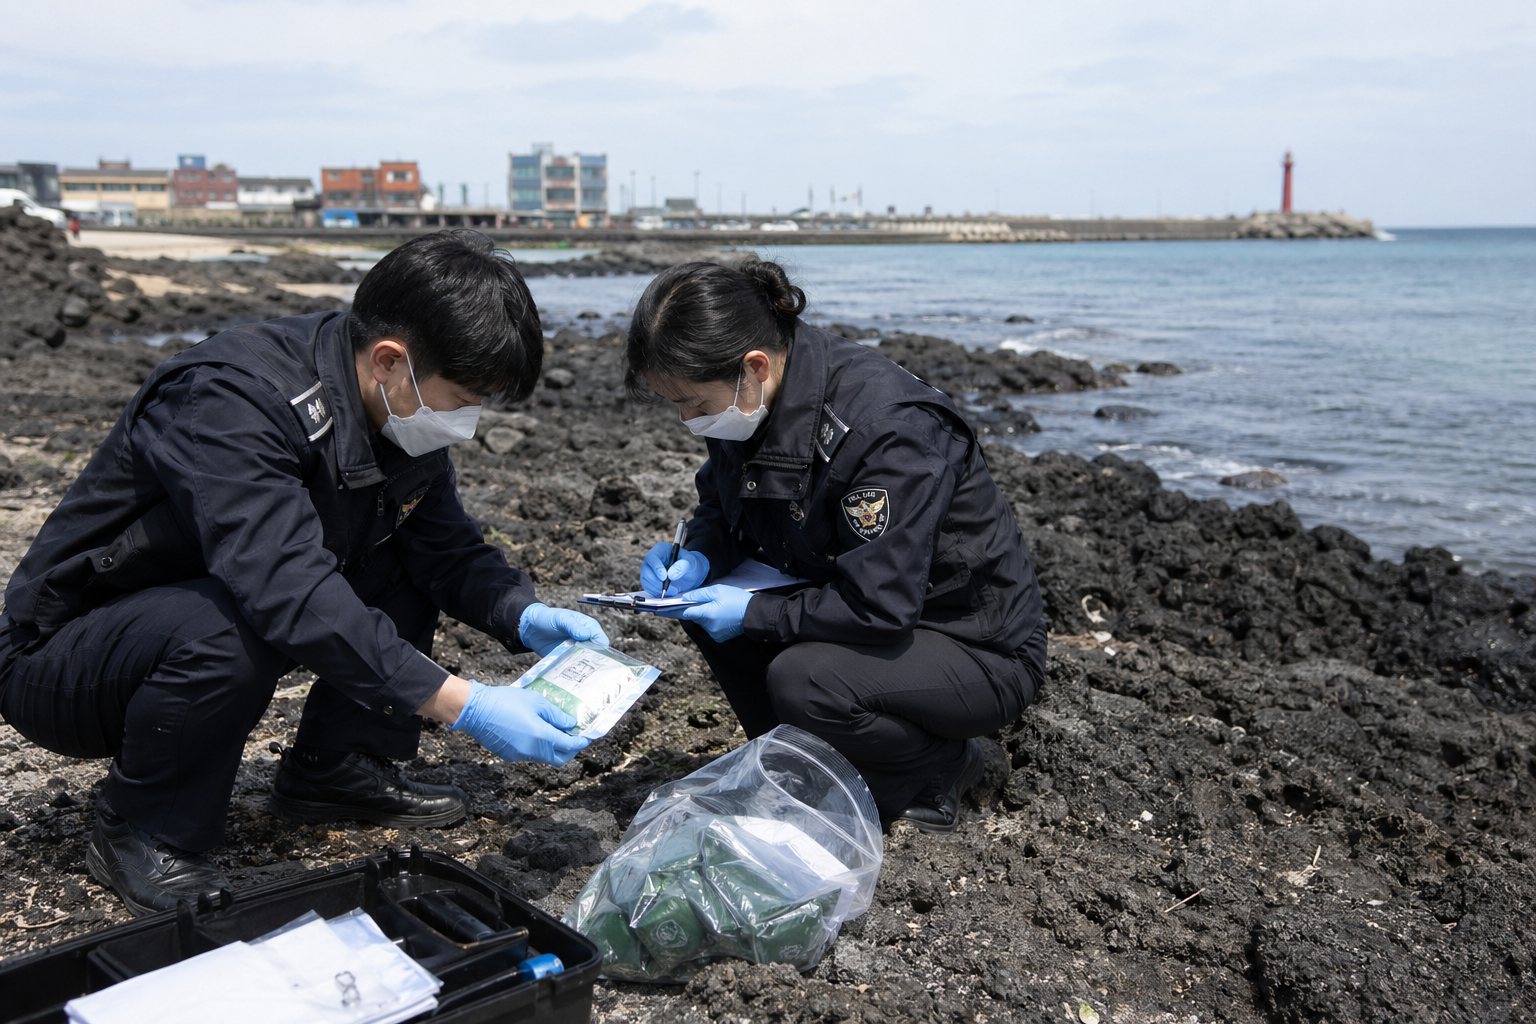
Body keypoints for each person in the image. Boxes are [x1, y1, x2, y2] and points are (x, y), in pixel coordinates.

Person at [0, 230, 609, 915]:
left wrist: (521, 615)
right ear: (390, 360)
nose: (468, 422)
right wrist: (459, 703)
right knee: (229, 624)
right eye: (465, 396)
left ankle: (336, 767)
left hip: (199, 615)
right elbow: (281, 584)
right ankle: (141, 826)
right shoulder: (230, 400)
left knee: (397, 555)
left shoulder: (391, 410)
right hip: (67, 660)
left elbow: (446, 550)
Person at [627, 260, 1048, 834]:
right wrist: (696, 556)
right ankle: (797, 762)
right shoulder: (754, 404)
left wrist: (754, 611)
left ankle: (941, 767)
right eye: (674, 404)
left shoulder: (890, 430)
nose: (687, 419)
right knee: (701, 604)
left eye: (696, 404)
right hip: (864, 600)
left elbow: (880, 605)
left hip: (975, 643)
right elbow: (720, 509)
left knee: (806, 678)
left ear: (754, 365)